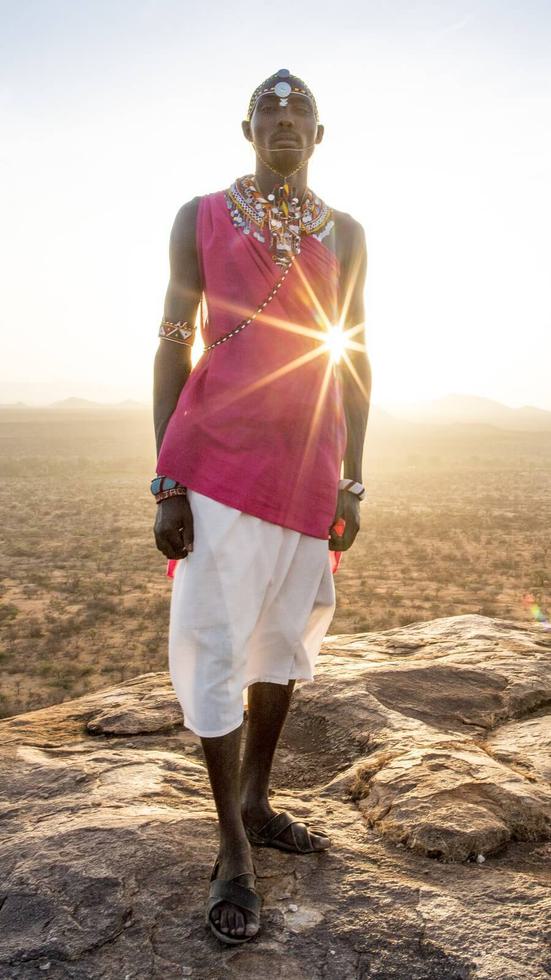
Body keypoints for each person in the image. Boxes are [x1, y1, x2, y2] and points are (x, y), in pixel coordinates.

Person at [152, 69, 371, 945]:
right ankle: (232, 847)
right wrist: (166, 476)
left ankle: (257, 794)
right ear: (247, 127)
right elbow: (172, 340)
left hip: (309, 470)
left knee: (281, 640)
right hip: (214, 465)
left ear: (320, 135)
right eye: (271, 111)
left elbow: (354, 352)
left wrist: (354, 476)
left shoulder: (346, 232)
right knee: (213, 640)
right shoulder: (199, 215)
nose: (285, 121)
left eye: (301, 112)